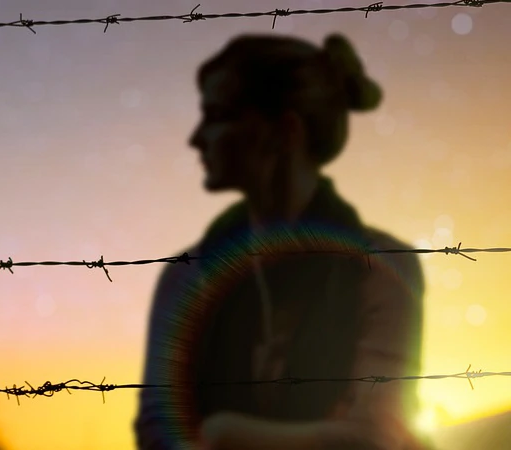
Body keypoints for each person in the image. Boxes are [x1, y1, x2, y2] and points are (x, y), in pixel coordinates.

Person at [134, 33, 434, 449]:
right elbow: (156, 431)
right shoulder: (187, 276)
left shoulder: (381, 263)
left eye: (218, 115)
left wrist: (224, 434)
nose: (196, 137)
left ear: (283, 130)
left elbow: (374, 437)